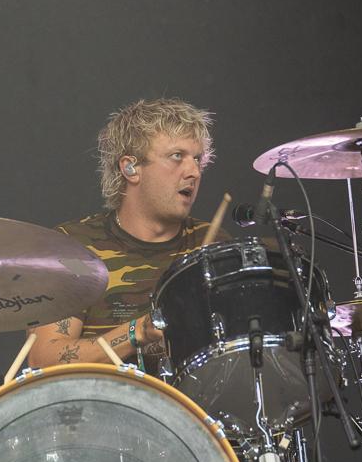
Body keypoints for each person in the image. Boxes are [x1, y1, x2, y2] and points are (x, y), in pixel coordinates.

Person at [27, 98, 231, 374]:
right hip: (97, 399)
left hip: (192, 400)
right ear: (130, 168)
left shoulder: (214, 244)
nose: (194, 172)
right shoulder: (74, 246)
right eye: (176, 156)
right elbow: (44, 359)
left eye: (197, 159)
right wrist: (138, 332)